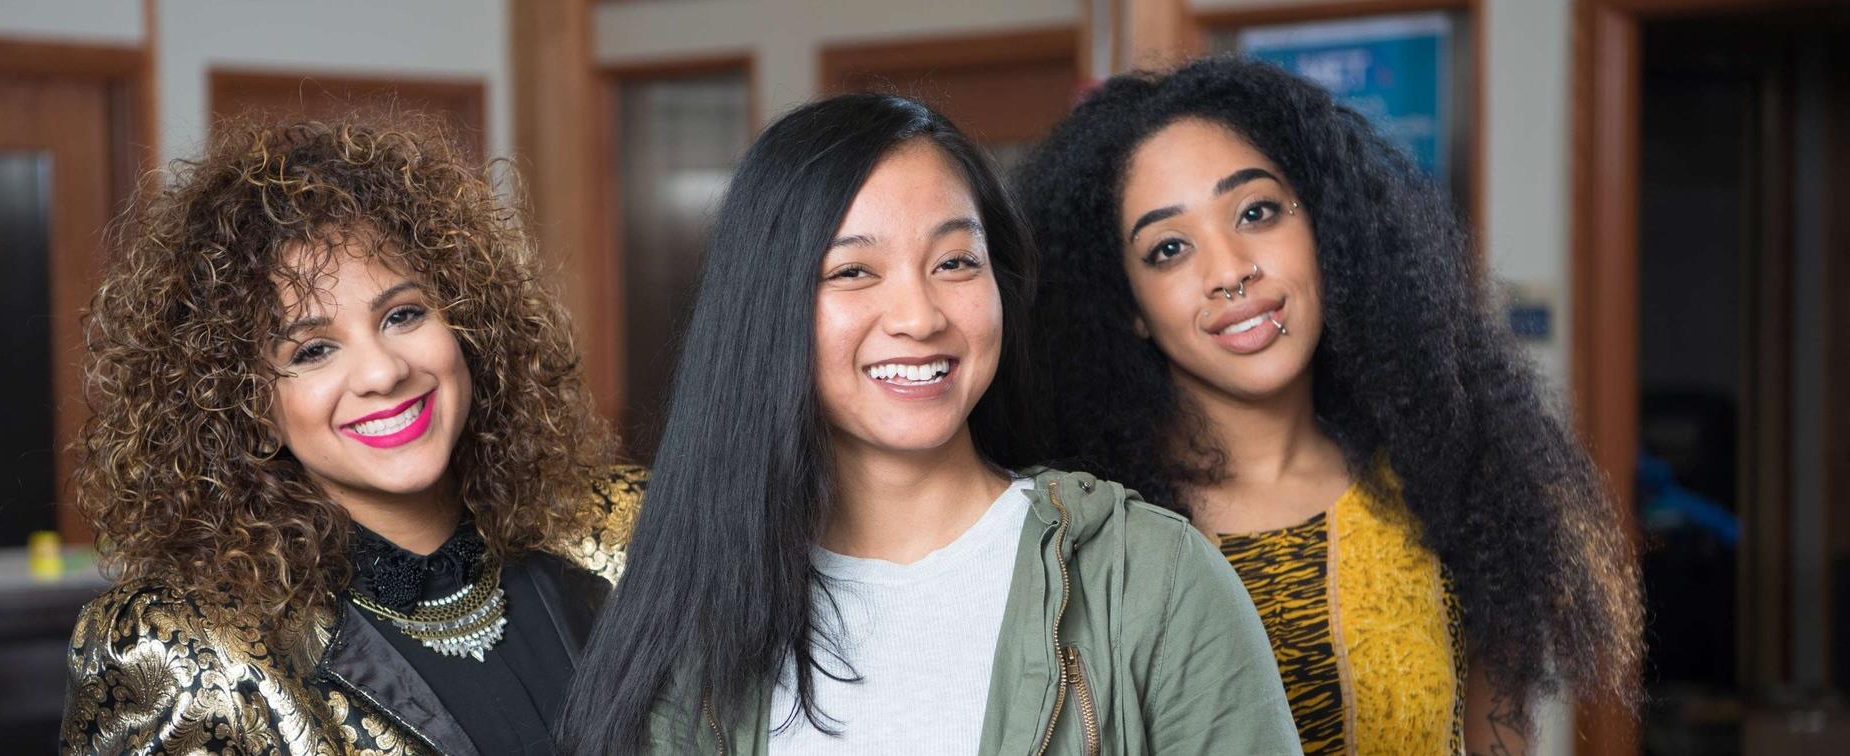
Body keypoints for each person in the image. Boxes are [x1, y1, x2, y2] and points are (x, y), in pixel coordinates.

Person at [558, 93, 1299, 755]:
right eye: (853, 272)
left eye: (954, 263)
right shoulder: (688, 614)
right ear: (768, 307)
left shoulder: (1149, 579)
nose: (920, 317)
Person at [1015, 56, 1644, 755]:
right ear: (1127, 305)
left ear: (1324, 229)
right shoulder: (1090, 532)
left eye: (1256, 212)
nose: (1229, 271)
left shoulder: (1446, 486)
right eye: (1168, 249)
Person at [62, 117, 644, 755]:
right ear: (244, 403)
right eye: (312, 351)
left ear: (469, 324)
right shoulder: (182, 652)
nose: (383, 371)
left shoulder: (631, 532)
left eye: (403, 314)